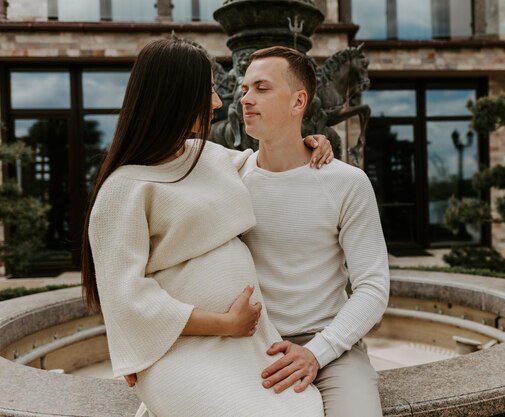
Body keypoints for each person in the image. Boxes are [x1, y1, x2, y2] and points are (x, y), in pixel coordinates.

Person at [82, 37, 331, 417]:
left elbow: (267, 161)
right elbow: (125, 297)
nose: (217, 103)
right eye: (209, 91)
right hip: (181, 349)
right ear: (175, 96)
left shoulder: (209, 156)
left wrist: (311, 141)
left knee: (302, 410)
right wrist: (224, 324)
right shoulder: (124, 189)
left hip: (247, 344)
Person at [238, 46, 390, 417]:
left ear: (298, 101)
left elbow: (373, 287)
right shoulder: (230, 176)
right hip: (248, 344)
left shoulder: (347, 183)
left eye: (261, 88)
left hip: (333, 348)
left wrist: (316, 352)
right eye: (243, 89)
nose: (246, 99)